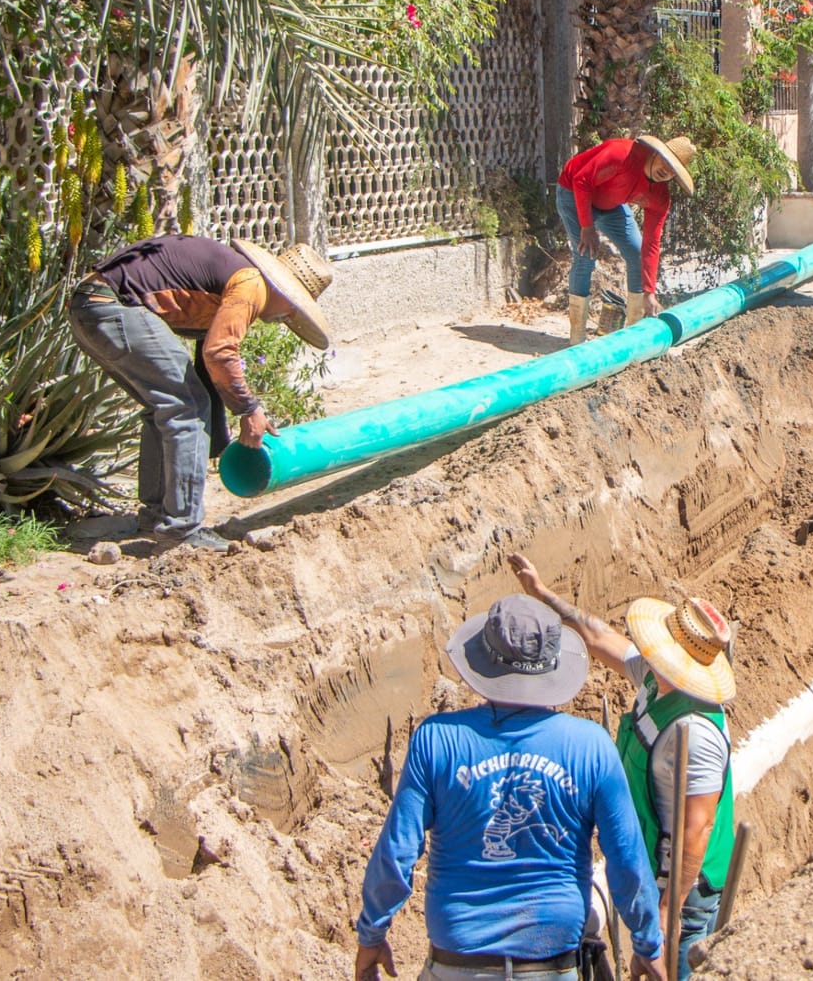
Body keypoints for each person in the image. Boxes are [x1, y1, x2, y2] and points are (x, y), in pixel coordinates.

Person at [354, 594, 668, 981]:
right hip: (551, 965)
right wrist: (648, 944)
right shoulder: (591, 747)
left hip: (456, 963)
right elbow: (626, 860)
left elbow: (397, 853)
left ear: (484, 662)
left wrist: (372, 935)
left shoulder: (436, 741)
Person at [509, 555, 734, 981]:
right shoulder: (656, 680)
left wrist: (666, 915)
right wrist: (542, 593)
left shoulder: (697, 732)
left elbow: (698, 829)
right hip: (654, 865)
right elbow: (598, 637)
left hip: (686, 890)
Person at [65, 235, 332, 551]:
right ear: (281, 290)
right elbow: (220, 352)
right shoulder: (251, 284)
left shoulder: (232, 281)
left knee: (164, 406)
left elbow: (208, 355)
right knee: (186, 407)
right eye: (292, 309)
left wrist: (222, 428)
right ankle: (182, 530)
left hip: (89, 304)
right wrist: (249, 409)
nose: (285, 318)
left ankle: (156, 516)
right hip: (112, 307)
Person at [555, 136, 696, 345]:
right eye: (665, 162)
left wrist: (650, 292)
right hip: (574, 193)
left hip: (610, 205)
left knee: (637, 253)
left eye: (672, 170)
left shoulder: (660, 197)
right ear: (656, 154)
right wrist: (586, 226)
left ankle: (634, 334)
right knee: (586, 256)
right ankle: (577, 339)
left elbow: (651, 244)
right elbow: (581, 180)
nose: (666, 171)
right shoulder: (622, 155)